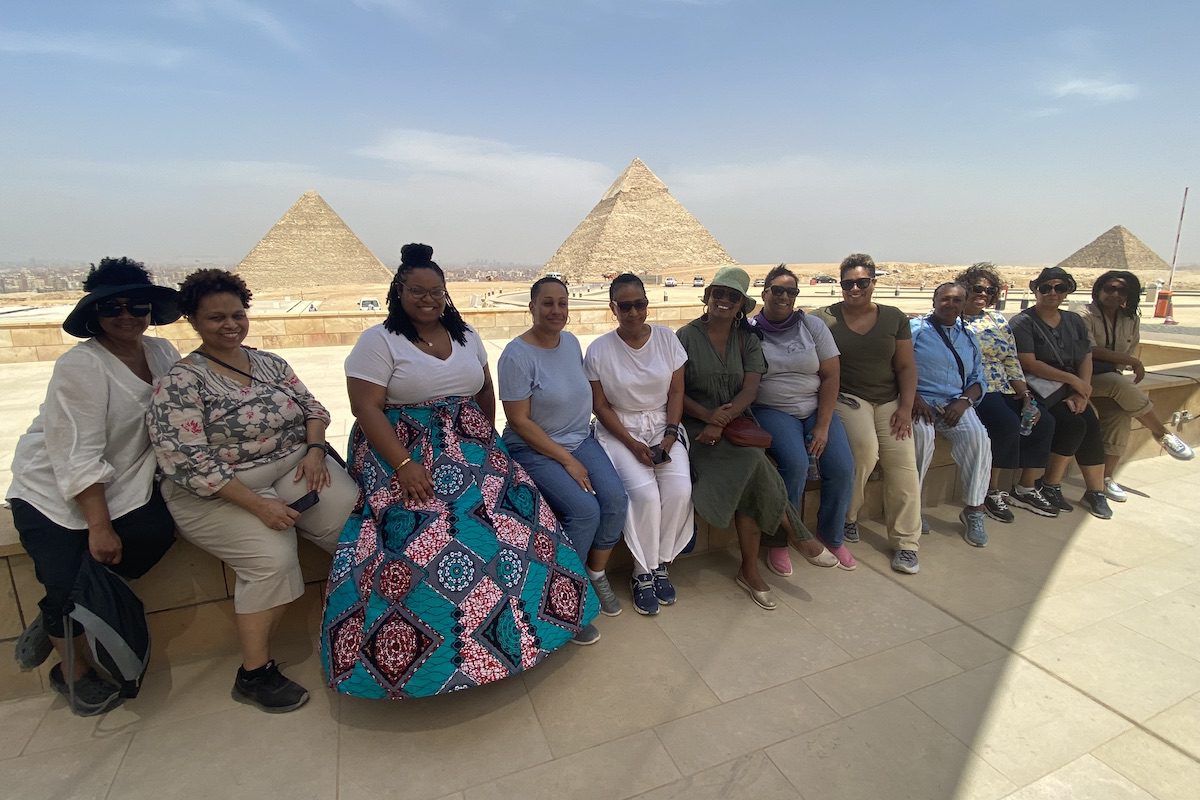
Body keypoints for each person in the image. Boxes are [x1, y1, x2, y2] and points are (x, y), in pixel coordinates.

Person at [321, 245, 598, 699]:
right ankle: (445, 664)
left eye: (436, 292)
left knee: (524, 519)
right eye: (417, 291)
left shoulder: (466, 334)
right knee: (431, 540)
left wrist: (486, 443)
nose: (428, 299)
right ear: (399, 291)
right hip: (404, 451)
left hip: (470, 447)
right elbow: (365, 408)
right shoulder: (379, 341)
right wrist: (405, 465)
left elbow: (485, 391)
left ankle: (547, 629)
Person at [147, 268, 359, 712]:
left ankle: (355, 625)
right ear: (193, 321)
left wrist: (316, 450)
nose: (230, 325)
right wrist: (260, 508)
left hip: (294, 465)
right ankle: (254, 672)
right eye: (215, 318)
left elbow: (313, 408)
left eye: (237, 315)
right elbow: (188, 459)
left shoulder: (270, 363)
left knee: (357, 530)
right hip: (219, 490)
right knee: (272, 560)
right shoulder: (182, 381)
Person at [6, 257, 180, 716]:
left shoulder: (162, 353)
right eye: (111, 307)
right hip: (50, 487)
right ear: (93, 314)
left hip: (124, 477)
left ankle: (60, 611)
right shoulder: (81, 367)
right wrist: (99, 526)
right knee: (64, 575)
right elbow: (76, 452)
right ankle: (72, 673)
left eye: (137, 304)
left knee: (152, 535)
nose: (126, 315)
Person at [677, 267, 836, 611]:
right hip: (695, 425)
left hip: (736, 422)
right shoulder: (685, 337)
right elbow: (675, 392)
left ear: (740, 304)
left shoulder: (746, 339)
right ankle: (795, 535)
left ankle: (751, 569)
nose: (724, 301)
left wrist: (725, 417)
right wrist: (710, 418)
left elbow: (750, 388)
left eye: (733, 297)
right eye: (719, 293)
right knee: (752, 464)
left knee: (750, 471)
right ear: (708, 297)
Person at [498, 276, 626, 640]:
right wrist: (566, 460)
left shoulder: (570, 342)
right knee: (586, 511)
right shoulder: (517, 356)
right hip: (535, 447)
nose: (556, 311)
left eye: (562, 303)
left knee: (616, 501)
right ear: (532, 307)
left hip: (579, 438)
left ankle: (592, 575)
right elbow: (519, 421)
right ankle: (563, 603)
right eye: (548, 303)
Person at [585, 273, 693, 615]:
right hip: (620, 430)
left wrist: (670, 435)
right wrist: (632, 444)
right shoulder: (600, 349)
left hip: (664, 426)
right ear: (613, 308)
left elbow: (676, 392)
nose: (633, 312)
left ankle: (660, 562)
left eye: (640, 304)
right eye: (625, 306)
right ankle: (641, 571)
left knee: (678, 490)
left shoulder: (667, 339)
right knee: (644, 494)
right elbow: (600, 406)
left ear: (648, 304)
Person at [814, 254, 923, 575]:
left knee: (903, 462)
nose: (855, 289)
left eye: (863, 282)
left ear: (874, 283)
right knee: (864, 450)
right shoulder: (825, 318)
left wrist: (905, 407)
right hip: (848, 397)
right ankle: (848, 517)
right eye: (848, 283)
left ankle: (906, 543)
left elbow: (905, 366)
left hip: (889, 399)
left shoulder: (893, 318)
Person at [750, 264, 858, 571]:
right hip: (772, 409)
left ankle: (832, 535)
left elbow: (831, 375)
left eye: (791, 291)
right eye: (778, 290)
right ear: (765, 293)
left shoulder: (812, 327)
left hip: (814, 407)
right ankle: (781, 540)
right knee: (794, 465)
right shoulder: (750, 330)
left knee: (841, 466)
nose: (784, 297)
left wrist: (823, 426)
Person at [1078, 270, 1194, 501]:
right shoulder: (1083, 315)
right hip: (1082, 377)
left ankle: (1105, 479)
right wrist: (1130, 361)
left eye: (1121, 290)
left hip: (1110, 379)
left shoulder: (1130, 318)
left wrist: (1125, 361)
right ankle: (1161, 433)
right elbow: (1088, 350)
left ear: (1129, 294)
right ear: (1098, 290)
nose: (1114, 294)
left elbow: (1127, 352)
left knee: (1120, 414)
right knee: (1117, 383)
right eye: (1109, 288)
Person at [956, 263, 1058, 519]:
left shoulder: (997, 320)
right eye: (977, 288)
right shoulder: (952, 319)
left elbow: (1011, 360)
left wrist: (1025, 395)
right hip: (976, 387)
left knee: (1043, 420)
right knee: (1006, 423)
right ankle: (991, 490)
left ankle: (1026, 487)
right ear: (964, 288)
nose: (983, 294)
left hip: (1005, 385)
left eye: (989, 290)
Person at [1009, 267, 1112, 519]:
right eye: (1046, 288)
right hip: (1041, 385)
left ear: (1067, 291)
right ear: (1035, 290)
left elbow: (1085, 355)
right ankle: (1050, 484)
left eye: (1059, 288)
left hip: (1072, 385)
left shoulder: (1074, 321)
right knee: (1072, 422)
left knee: (1090, 420)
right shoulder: (1023, 322)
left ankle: (1095, 490)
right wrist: (1073, 381)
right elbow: (1029, 363)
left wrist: (1082, 391)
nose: (1052, 293)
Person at [910, 283, 992, 547]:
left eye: (957, 300)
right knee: (920, 438)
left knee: (978, 438)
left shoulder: (968, 337)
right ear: (934, 300)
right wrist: (913, 397)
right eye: (945, 299)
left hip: (956, 404)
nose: (950, 304)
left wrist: (964, 401)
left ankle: (974, 509)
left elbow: (979, 378)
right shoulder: (917, 331)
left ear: (964, 304)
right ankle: (911, 508)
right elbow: (896, 366)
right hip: (919, 401)